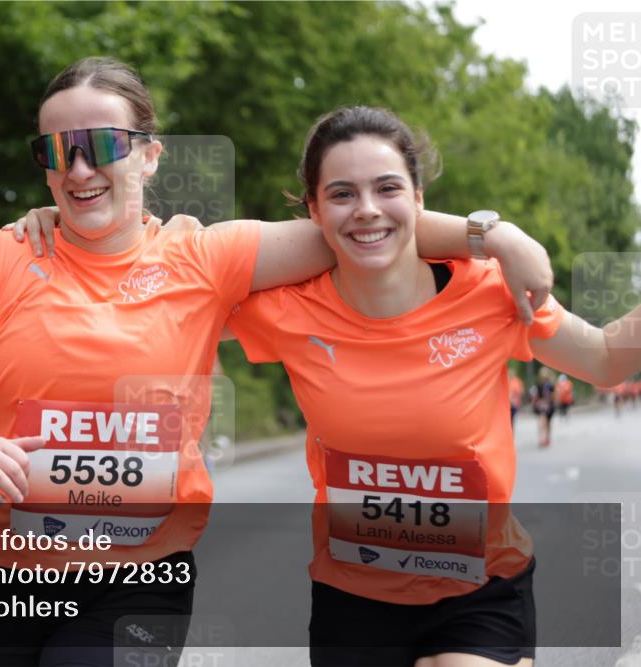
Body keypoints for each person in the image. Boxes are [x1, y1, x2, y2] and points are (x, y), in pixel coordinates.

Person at [0, 56, 553, 667]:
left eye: (100, 145)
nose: (78, 169)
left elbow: (361, 227)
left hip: (138, 575)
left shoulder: (203, 257)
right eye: (56, 151)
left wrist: (489, 233)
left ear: (148, 156)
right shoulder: (3, 255)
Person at [220, 106, 641, 667]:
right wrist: (62, 230)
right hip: (354, 600)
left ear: (418, 197)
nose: (367, 209)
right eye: (342, 194)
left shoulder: (490, 292)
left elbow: (609, 360)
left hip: (481, 592)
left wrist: (489, 237)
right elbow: (158, 294)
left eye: (387, 188)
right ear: (313, 210)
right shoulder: (284, 310)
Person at [531, 367, 556, 447]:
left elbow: (553, 395)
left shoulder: (550, 385)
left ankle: (547, 437)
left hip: (549, 406)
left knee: (548, 423)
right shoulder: (538, 384)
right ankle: (542, 438)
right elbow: (535, 395)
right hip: (542, 406)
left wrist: (549, 400)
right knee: (542, 422)